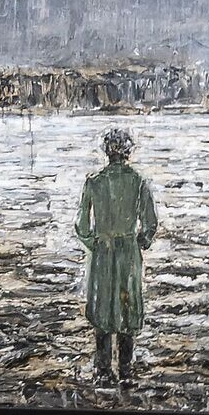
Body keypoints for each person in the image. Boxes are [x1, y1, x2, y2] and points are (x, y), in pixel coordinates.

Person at [74, 127, 159, 385]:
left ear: (107, 152)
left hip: (103, 252)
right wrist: (139, 242)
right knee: (127, 307)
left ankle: (103, 371)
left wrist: (94, 243)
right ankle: (125, 369)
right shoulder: (138, 181)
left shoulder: (94, 182)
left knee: (102, 309)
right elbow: (150, 223)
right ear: (128, 152)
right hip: (128, 253)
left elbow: (81, 226)